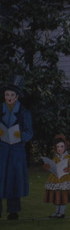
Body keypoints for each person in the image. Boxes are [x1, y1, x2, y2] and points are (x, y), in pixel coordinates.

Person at [0, 75, 34, 220]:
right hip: (1, 150)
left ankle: (13, 211)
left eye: (12, 95)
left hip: (16, 151)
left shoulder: (24, 112)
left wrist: (19, 135)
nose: (9, 97)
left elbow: (29, 132)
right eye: (7, 94)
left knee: (13, 179)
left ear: (17, 97)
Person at [43, 134, 70, 218]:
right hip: (55, 179)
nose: (60, 149)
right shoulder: (55, 158)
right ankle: (57, 212)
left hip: (64, 179)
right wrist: (48, 167)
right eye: (58, 147)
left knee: (63, 196)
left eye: (61, 146)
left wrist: (68, 169)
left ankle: (62, 212)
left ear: (65, 147)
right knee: (56, 196)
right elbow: (52, 166)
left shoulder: (69, 157)